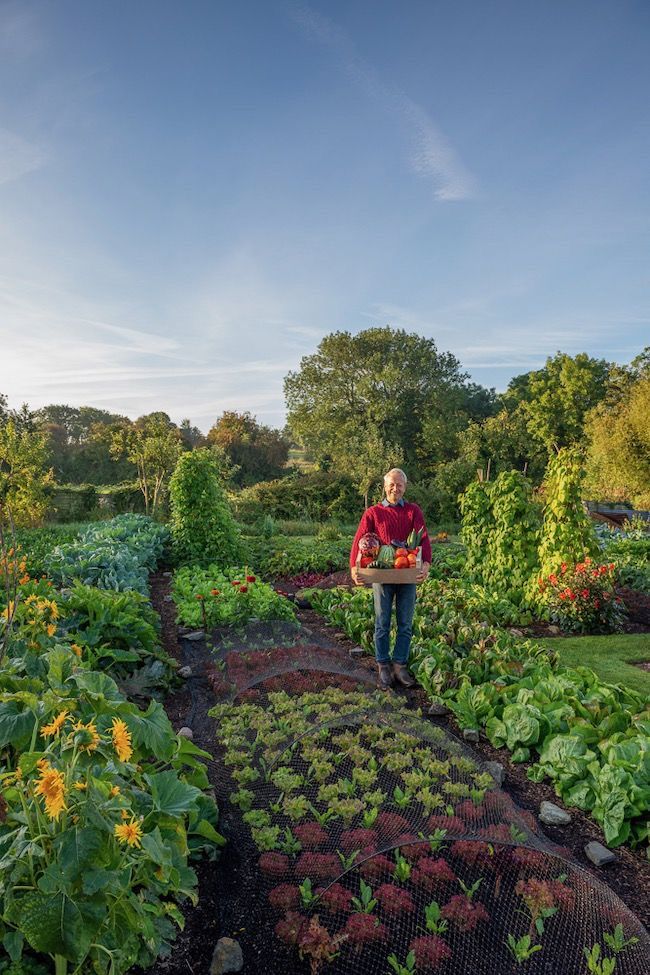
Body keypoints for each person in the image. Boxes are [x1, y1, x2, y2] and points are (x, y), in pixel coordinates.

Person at [350, 468, 431, 690]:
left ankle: (400, 666)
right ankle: (383, 665)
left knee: (405, 623)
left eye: (400, 485)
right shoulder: (373, 513)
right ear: (385, 487)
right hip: (382, 573)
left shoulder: (413, 511)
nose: (396, 488)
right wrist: (354, 568)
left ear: (405, 487)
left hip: (406, 573)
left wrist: (425, 565)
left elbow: (423, 540)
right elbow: (360, 541)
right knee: (382, 622)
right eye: (392, 484)